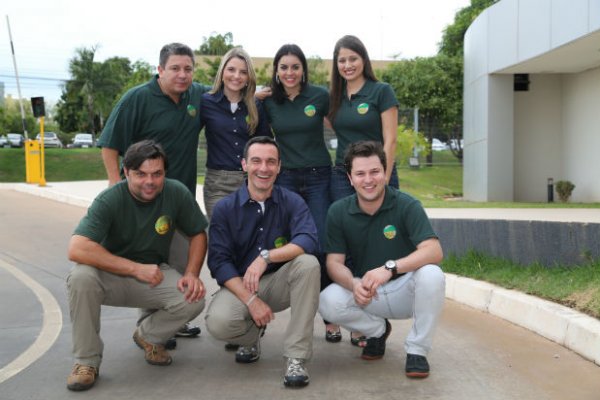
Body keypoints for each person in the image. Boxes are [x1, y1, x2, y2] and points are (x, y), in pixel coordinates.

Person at [65, 140, 208, 391]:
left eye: (157, 174)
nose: (149, 181)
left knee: (193, 298)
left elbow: (198, 234)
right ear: (126, 172)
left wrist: (192, 273)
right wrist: (134, 268)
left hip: (152, 275)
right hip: (109, 275)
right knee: (80, 278)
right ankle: (86, 362)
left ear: (165, 173)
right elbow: (77, 248)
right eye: (141, 174)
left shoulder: (175, 192)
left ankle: (148, 336)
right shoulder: (110, 199)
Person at [98, 42, 208, 343]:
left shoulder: (197, 95)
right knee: (151, 262)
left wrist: (258, 94)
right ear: (160, 69)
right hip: (144, 200)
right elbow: (110, 145)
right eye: (175, 68)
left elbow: (228, 87)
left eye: (188, 69)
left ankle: (171, 321)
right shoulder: (137, 98)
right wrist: (115, 184)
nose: (182, 74)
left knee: (180, 263)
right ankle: (151, 327)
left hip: (180, 201)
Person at [319, 141, 445, 379]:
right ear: (350, 178)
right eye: (360, 174)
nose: (368, 180)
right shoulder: (338, 211)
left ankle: (417, 350)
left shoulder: (407, 204)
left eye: (375, 171)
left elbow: (434, 250)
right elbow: (334, 263)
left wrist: (390, 268)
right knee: (327, 301)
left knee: (432, 275)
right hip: (368, 293)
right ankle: (377, 331)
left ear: (385, 173)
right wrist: (353, 284)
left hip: (405, 290)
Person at [205, 136, 320, 388]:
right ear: (244, 164)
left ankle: (296, 357)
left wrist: (266, 257)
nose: (263, 168)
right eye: (256, 161)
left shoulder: (292, 201)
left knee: (308, 264)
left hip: (279, 283)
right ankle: (251, 337)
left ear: (279, 166)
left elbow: (308, 239)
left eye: (270, 162)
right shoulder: (225, 208)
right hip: (241, 286)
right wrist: (250, 301)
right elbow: (219, 262)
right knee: (218, 323)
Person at [262, 44, 340, 342]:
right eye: (284, 67)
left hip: (319, 177)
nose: (290, 72)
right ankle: (260, 316)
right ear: (277, 71)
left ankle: (330, 316)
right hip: (285, 179)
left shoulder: (319, 96)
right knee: (283, 243)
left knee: (320, 245)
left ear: (303, 70)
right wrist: (255, 96)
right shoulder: (269, 101)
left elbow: (341, 124)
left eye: (295, 67)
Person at [200, 46, 271, 219]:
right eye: (231, 69)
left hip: (249, 182)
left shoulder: (255, 105)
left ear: (248, 77)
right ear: (222, 72)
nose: (236, 76)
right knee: (221, 231)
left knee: (249, 232)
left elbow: (266, 143)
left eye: (243, 72)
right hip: (217, 184)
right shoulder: (206, 102)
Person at [328, 35, 399, 203]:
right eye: (342, 61)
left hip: (376, 172)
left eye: (353, 59)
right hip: (343, 174)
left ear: (364, 59)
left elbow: (391, 140)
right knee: (345, 218)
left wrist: (384, 178)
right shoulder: (333, 97)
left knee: (383, 219)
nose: (347, 65)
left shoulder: (382, 91)